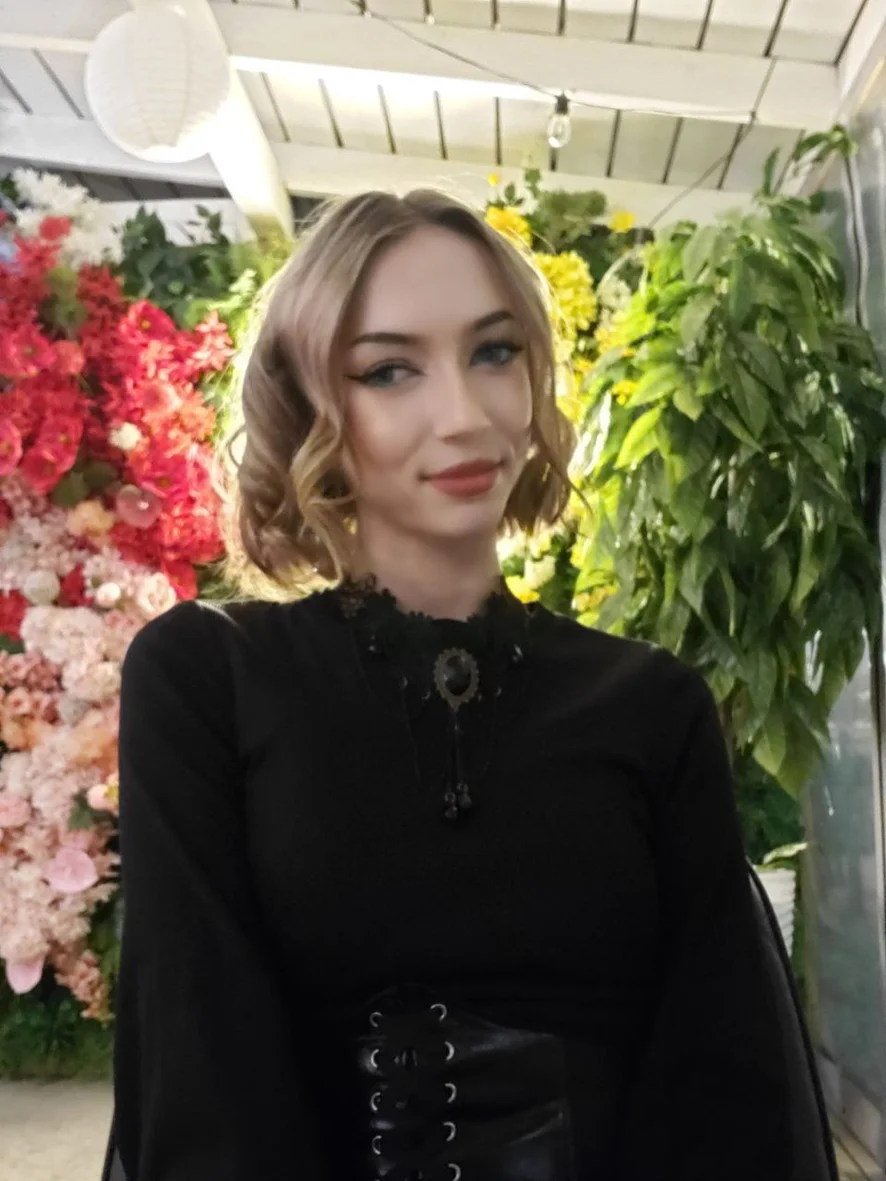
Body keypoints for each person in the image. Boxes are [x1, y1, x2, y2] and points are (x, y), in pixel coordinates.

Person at [110, 189, 800, 1181]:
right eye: (389, 369)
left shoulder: (652, 703)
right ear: (308, 403)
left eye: (494, 351)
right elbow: (198, 1072)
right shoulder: (206, 676)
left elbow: (721, 1079)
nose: (466, 415)